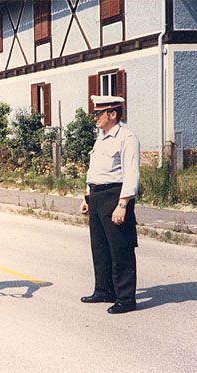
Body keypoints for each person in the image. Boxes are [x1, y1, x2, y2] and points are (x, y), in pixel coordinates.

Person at [79, 95, 140, 314]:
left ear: (112, 114)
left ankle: (125, 298)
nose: (95, 117)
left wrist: (123, 204)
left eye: (98, 113)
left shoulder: (126, 137)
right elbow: (95, 170)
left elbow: (131, 173)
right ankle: (104, 290)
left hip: (115, 196)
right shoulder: (102, 137)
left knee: (120, 248)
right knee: (100, 247)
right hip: (96, 197)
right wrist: (87, 197)